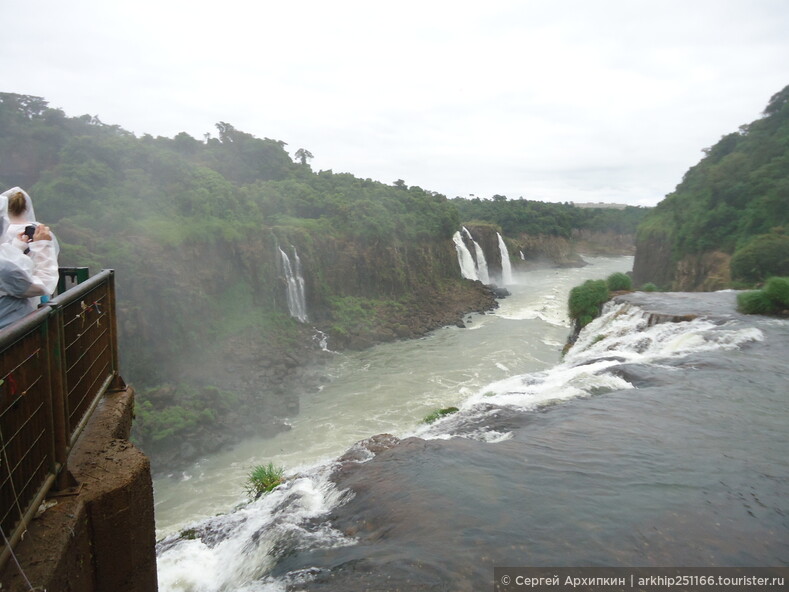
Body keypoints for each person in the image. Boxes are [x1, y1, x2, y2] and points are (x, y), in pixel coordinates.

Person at [0, 216, 58, 330]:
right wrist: (43, 246)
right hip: (13, 336)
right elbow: (43, 285)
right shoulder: (5, 268)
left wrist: (18, 247)